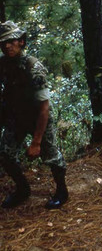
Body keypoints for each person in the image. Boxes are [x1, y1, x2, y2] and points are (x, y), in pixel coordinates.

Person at [0, 21, 68, 209]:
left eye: (11, 41)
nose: (7, 46)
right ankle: (23, 189)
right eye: (3, 43)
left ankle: (62, 190)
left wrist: (36, 142)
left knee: (52, 156)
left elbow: (44, 108)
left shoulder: (33, 68)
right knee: (5, 154)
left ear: (21, 41)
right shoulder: (3, 64)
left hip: (38, 117)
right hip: (16, 116)